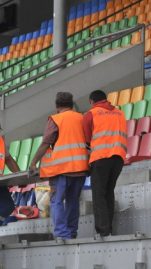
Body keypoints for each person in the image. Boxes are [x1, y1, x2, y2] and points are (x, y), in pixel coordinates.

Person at [29, 92, 89, 240]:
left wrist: (33, 162)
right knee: (73, 201)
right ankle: (71, 232)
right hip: (80, 168)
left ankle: (62, 234)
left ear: (57, 106)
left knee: (56, 201)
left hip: (62, 170)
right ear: (71, 104)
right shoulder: (81, 117)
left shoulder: (55, 119)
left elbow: (46, 143)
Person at [83, 90, 127, 237]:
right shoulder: (120, 113)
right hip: (118, 157)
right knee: (109, 192)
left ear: (91, 101)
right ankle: (109, 229)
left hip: (100, 157)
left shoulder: (91, 114)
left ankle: (103, 231)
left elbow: (87, 139)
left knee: (99, 194)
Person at [0, 125, 20, 225]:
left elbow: (8, 159)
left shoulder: (0, 141)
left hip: (0, 181)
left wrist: (20, 176)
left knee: (8, 206)